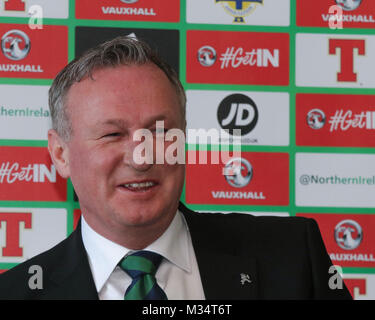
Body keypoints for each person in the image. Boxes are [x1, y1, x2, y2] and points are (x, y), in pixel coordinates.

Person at [0, 36, 351, 300]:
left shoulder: (292, 257)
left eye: (160, 132)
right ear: (60, 153)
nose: (141, 158)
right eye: (112, 134)